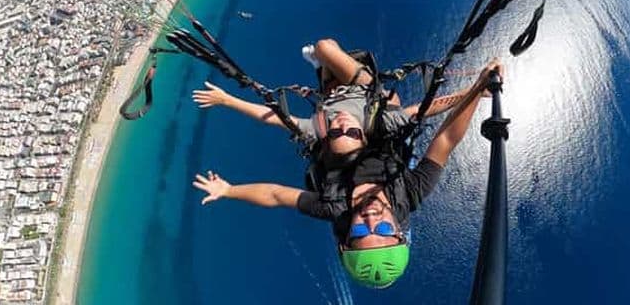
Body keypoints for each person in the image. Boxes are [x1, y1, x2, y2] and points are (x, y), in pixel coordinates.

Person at [192, 57, 502, 288]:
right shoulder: (409, 193)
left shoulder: (333, 206)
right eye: (382, 232)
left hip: (340, 130)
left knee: (340, 92)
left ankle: (332, 76)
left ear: (345, 240)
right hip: (376, 127)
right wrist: (477, 89)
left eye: (359, 233)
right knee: (394, 105)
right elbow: (446, 140)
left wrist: (229, 190)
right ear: (399, 232)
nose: (370, 221)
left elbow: (275, 195)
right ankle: (355, 82)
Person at [192, 38, 470, 157]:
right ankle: (321, 61)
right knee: (326, 47)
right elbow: (427, 108)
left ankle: (320, 67)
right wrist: (472, 91)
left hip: (330, 92)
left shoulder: (317, 130)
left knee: (325, 69)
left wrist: (227, 100)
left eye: (337, 132)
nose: (341, 123)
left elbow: (275, 117)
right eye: (351, 131)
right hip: (364, 87)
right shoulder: (379, 125)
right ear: (362, 134)